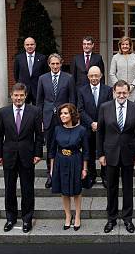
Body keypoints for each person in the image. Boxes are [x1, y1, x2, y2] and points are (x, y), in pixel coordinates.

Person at [0, 83, 43, 234]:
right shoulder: (3, 112)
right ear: (11, 96)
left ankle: (27, 219)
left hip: (27, 156)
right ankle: (11, 218)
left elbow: (39, 136)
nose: (18, 98)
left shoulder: (34, 111)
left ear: (25, 95)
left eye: (21, 95)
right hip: (9, 155)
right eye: (16, 95)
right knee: (9, 189)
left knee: (27, 189)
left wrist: (38, 154)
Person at [97, 80, 135, 234]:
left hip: (129, 153)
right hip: (110, 153)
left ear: (128, 93)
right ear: (114, 93)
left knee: (128, 188)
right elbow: (100, 133)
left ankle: (128, 219)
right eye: (119, 92)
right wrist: (100, 154)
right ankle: (111, 218)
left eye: (124, 92)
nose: (121, 95)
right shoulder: (105, 107)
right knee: (111, 188)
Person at [36, 53, 76, 189]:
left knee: (65, 147)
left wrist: (72, 119)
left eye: (57, 64)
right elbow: (39, 101)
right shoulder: (42, 78)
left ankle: (64, 175)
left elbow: (72, 100)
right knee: (51, 148)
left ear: (61, 63)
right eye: (52, 64)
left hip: (64, 118)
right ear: (49, 65)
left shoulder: (69, 78)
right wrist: (40, 120)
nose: (55, 66)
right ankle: (51, 175)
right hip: (48, 119)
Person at [49, 103, 89, 231]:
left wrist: (85, 168)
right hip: (60, 161)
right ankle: (67, 216)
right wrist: (51, 168)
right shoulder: (57, 129)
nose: (62, 116)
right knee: (64, 191)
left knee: (76, 191)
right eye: (61, 113)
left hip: (75, 161)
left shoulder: (82, 130)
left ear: (72, 114)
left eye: (65, 113)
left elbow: (86, 151)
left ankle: (77, 216)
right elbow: (52, 150)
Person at [77, 66, 113, 188]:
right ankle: (91, 176)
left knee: (104, 152)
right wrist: (91, 123)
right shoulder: (81, 90)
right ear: (88, 77)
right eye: (91, 76)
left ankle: (105, 177)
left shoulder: (108, 90)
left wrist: (99, 123)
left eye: (96, 75)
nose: (94, 78)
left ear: (101, 76)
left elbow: (109, 108)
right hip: (87, 128)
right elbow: (80, 110)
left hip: (103, 128)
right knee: (89, 152)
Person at [13, 37, 47, 104]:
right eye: (27, 45)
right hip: (23, 90)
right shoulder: (19, 58)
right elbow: (16, 74)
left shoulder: (42, 58)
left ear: (35, 45)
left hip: (37, 89)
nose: (29, 46)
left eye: (31, 44)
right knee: (24, 110)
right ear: (24, 46)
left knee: (37, 110)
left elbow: (45, 73)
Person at [109, 36, 135, 101]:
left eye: (127, 44)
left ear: (130, 46)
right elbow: (112, 73)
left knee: (132, 108)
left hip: (132, 90)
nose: (125, 46)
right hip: (119, 90)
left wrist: (132, 86)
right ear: (120, 46)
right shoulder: (115, 57)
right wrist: (118, 86)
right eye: (123, 44)